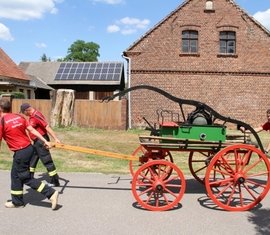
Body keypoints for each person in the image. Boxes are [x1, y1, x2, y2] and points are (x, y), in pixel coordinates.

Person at [0, 99, 59, 209]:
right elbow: (32, 130)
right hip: (29, 148)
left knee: (24, 177)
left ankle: (50, 193)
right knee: (15, 175)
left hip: (21, 152)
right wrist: (45, 140)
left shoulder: (1, 121)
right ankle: (17, 201)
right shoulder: (19, 117)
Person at [20, 103, 61, 187]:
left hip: (41, 141)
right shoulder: (32, 117)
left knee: (47, 160)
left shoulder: (37, 115)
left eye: (23, 112)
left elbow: (47, 127)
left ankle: (55, 181)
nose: (23, 114)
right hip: (36, 142)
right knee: (33, 159)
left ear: (27, 110)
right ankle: (29, 177)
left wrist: (55, 138)